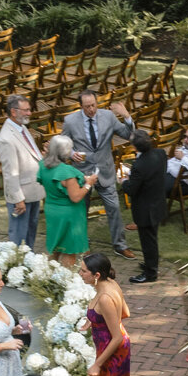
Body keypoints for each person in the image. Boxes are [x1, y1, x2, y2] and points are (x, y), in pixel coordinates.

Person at [60, 91, 135, 256]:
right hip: (82, 174)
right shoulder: (70, 121)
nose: (92, 109)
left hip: (105, 172)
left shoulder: (108, 116)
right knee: (81, 211)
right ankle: (81, 244)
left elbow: (129, 135)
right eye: (87, 107)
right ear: (81, 106)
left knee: (114, 208)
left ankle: (120, 245)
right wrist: (71, 154)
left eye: (94, 105)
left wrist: (127, 117)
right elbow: (62, 144)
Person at [38, 133, 96, 263]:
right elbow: (75, 197)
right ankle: (64, 280)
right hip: (69, 215)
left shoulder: (43, 164)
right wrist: (89, 184)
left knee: (55, 247)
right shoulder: (66, 171)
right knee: (69, 250)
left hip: (52, 210)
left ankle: (48, 276)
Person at [0, 91, 44, 248]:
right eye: (26, 110)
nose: (30, 113)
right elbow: (10, 173)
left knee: (30, 234)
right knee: (18, 238)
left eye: (29, 109)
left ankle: (28, 265)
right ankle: (15, 267)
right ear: (13, 111)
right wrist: (18, 199)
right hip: (21, 196)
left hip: (33, 191)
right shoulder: (6, 139)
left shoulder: (21, 128)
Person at [125, 128, 169, 283]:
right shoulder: (161, 153)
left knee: (148, 241)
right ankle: (151, 264)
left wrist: (123, 181)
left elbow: (131, 189)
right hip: (157, 204)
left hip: (146, 209)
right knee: (152, 238)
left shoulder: (139, 165)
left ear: (135, 147)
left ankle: (151, 273)